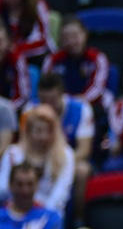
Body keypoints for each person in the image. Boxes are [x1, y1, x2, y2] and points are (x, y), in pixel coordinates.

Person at [0, 104, 75, 215]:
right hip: (14, 210)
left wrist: (40, 210)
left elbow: (61, 192)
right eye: (38, 131)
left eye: (49, 131)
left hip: (49, 212)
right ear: (28, 131)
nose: (44, 136)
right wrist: (24, 202)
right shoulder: (13, 153)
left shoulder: (66, 154)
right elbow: (0, 190)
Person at [34, 73, 95, 216]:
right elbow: (26, 146)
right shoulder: (31, 110)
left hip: (72, 159)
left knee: (82, 171)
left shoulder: (81, 109)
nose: (48, 106)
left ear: (61, 94)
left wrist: (61, 163)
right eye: (44, 101)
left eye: (52, 100)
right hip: (40, 158)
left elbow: (84, 150)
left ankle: (78, 219)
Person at [41, 15, 111, 108]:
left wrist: (76, 102)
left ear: (85, 34)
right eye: (66, 37)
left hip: (90, 106)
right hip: (58, 106)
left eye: (75, 36)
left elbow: (97, 88)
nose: (71, 41)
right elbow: (47, 86)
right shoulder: (52, 60)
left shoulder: (98, 58)